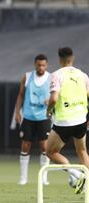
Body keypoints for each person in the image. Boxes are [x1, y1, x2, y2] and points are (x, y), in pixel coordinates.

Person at [46, 47, 89, 194]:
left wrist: (48, 110)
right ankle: (87, 183)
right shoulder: (83, 75)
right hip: (81, 120)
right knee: (82, 151)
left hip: (64, 122)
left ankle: (76, 174)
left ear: (59, 60)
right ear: (73, 58)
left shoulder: (56, 75)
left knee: (50, 152)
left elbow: (54, 98)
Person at [15, 54, 51, 185]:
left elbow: (57, 96)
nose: (41, 67)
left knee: (44, 147)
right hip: (28, 117)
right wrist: (17, 112)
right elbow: (20, 95)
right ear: (35, 64)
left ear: (46, 65)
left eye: (43, 65)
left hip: (44, 117)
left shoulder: (51, 78)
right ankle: (23, 178)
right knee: (25, 146)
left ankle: (44, 178)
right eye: (38, 65)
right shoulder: (27, 76)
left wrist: (51, 100)